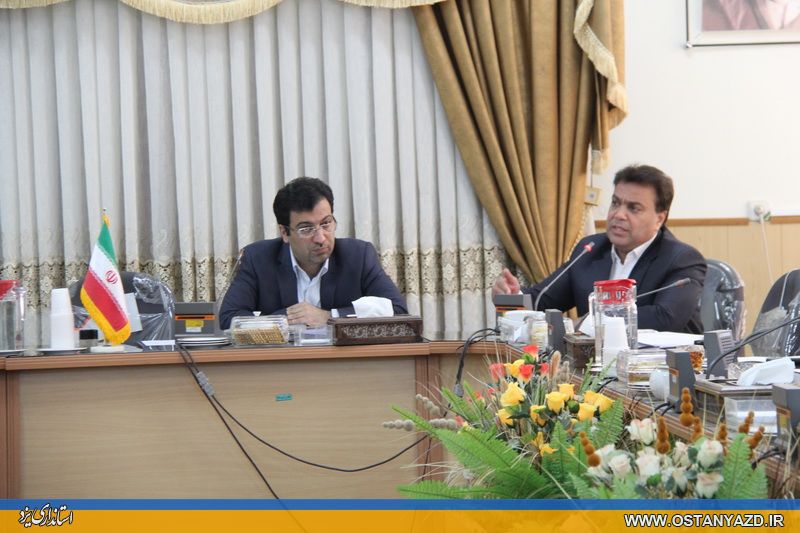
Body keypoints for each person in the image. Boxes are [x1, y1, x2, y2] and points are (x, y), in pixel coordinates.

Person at [493, 164, 707, 333]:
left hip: (666, 370)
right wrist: (512, 296)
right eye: (615, 203)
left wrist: (588, 323)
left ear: (659, 218)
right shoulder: (591, 250)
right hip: (595, 367)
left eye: (633, 208)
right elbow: (542, 300)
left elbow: (664, 318)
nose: (619, 214)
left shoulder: (682, 259)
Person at [219, 177, 407, 329]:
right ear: (284, 232)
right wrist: (287, 319)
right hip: (281, 361)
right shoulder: (257, 258)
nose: (320, 238)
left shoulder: (358, 255)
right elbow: (228, 318)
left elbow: (398, 311)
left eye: (326, 223)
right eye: (306, 229)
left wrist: (330, 317)